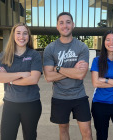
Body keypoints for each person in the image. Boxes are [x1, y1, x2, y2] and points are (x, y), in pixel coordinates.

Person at [43, 12, 92, 140]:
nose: (65, 25)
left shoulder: (82, 47)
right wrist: (72, 71)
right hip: (60, 97)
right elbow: (48, 77)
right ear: (57, 26)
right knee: (63, 129)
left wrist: (58, 68)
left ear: (73, 25)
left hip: (79, 95)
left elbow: (81, 74)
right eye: (61, 22)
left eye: (68, 22)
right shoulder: (50, 48)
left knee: (87, 131)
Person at [0, 22, 42, 140]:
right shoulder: (4, 55)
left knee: (30, 137)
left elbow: (33, 79)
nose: (21, 36)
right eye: (18, 33)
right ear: (13, 36)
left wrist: (9, 79)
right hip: (10, 104)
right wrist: (20, 74)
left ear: (28, 36)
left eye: (25, 33)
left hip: (31, 104)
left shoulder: (34, 55)